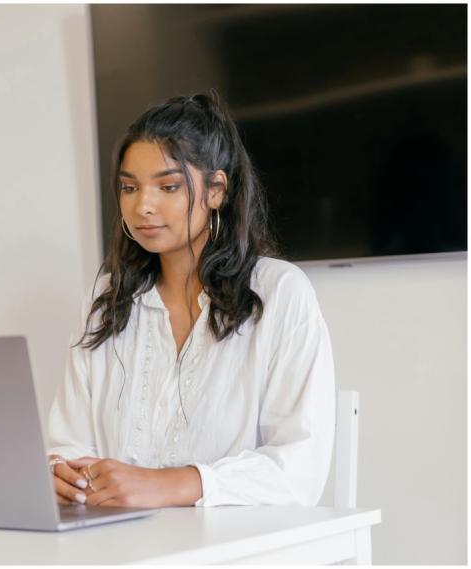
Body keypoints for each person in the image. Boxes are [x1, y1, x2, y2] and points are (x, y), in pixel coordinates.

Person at [46, 90, 336, 508]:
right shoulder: (105, 299)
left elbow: (299, 469)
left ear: (216, 190)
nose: (142, 205)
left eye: (168, 186)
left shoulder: (279, 293)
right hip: (115, 544)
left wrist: (168, 484)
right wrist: (62, 474)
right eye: (129, 187)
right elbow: (68, 442)